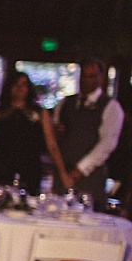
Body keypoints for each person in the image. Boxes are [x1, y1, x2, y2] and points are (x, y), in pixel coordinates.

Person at [53, 58, 124, 207]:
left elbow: (107, 144)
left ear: (101, 78)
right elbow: (53, 138)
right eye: (83, 76)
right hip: (62, 176)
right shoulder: (65, 103)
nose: (86, 80)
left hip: (90, 180)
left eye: (91, 76)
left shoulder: (111, 107)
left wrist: (80, 170)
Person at [0, 71, 66, 195]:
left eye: (24, 84)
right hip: (1, 168)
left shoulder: (40, 114)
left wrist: (63, 172)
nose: (19, 88)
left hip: (30, 169)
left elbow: (52, 145)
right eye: (16, 84)